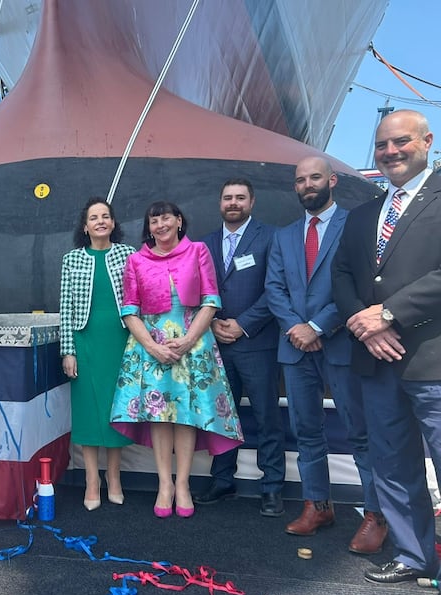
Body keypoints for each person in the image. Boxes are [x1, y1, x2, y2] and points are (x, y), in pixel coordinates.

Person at [332, 109, 441, 584]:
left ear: (427, 141)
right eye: (382, 145)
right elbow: (342, 275)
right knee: (393, 465)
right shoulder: (362, 215)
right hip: (376, 363)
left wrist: (389, 314)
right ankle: (415, 556)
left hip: (432, 359)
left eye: (400, 142)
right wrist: (366, 325)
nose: (390, 152)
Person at [265, 156, 385, 553]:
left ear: (331, 180)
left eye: (314, 177)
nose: (307, 185)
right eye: (300, 180)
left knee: (359, 433)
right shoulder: (283, 237)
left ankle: (375, 514)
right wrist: (297, 329)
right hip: (294, 348)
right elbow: (274, 289)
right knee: (306, 432)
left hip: (341, 343)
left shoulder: (355, 225)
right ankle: (318, 505)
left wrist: (317, 326)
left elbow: (358, 284)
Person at [110, 201, 244, 519]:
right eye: (153, 219)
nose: (160, 224)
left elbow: (211, 301)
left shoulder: (197, 251)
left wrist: (186, 341)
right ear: (149, 227)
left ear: (179, 221)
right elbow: (129, 310)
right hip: (150, 344)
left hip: (192, 342)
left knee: (186, 415)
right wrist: (153, 347)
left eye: (166, 217)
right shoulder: (136, 260)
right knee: (160, 415)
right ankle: (164, 485)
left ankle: (182, 484)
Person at [197, 178, 285, 517]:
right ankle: (222, 480)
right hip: (217, 341)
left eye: (240, 198)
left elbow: (276, 289)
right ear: (220, 203)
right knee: (222, 416)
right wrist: (215, 321)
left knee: (266, 416)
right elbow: (200, 288)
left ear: (252, 201)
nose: (233, 203)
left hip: (257, 342)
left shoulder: (271, 237)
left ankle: (272, 486)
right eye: (227, 198)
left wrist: (244, 324)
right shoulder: (205, 243)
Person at [59, 197, 134, 511]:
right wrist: (68, 351)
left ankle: (114, 477)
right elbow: (65, 309)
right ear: (85, 226)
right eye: (94, 217)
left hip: (121, 340)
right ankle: (92, 480)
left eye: (106, 216)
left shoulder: (129, 255)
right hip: (85, 341)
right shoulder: (72, 260)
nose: (100, 221)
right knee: (90, 412)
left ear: (113, 223)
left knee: (116, 411)